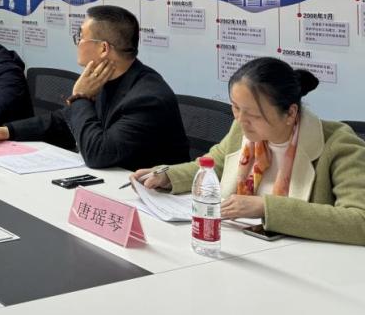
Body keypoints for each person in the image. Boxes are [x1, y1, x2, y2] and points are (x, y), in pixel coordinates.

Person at [133, 57, 365, 245]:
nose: (241, 120)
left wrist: (265, 207)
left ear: (291, 113)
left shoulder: (337, 144)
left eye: (254, 114)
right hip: (241, 245)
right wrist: (167, 176)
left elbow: (360, 220)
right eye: (235, 108)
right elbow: (213, 165)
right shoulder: (242, 130)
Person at [0, 6, 189, 171]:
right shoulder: (105, 77)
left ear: (103, 48)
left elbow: (99, 154)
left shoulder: (147, 98)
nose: (77, 43)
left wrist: (80, 97)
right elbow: (65, 121)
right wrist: (8, 131)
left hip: (149, 201)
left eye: (81, 37)